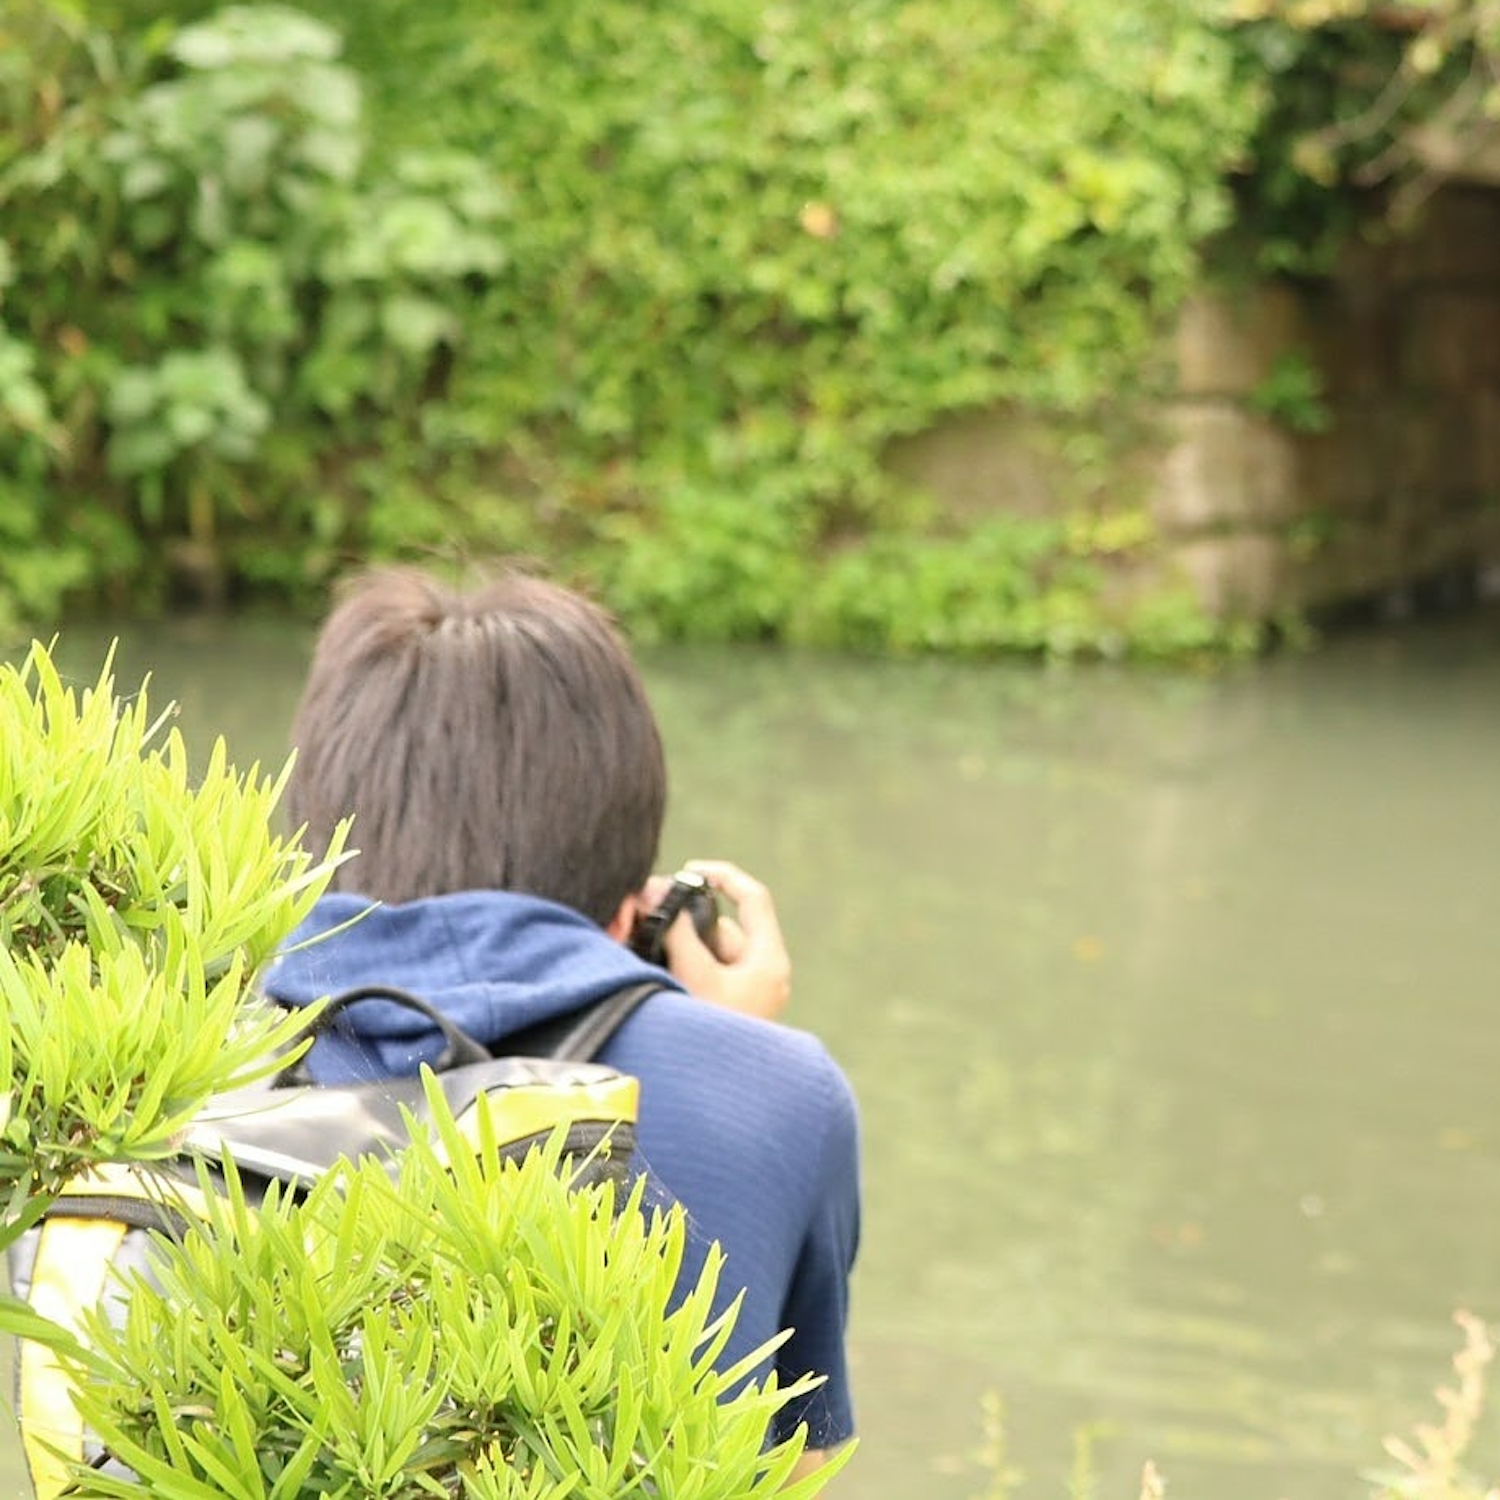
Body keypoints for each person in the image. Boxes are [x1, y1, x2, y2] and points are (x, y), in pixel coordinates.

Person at [263, 563, 860, 1473]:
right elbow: (796, 1481)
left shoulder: (162, 1078)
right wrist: (733, 1047)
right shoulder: (784, 1094)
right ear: (633, 909)